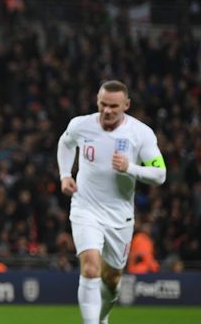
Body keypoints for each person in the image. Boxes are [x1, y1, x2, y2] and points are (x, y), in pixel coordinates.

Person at [57, 80, 166, 324]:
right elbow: (65, 143)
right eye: (103, 104)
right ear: (97, 101)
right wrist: (65, 174)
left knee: (112, 279)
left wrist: (130, 168)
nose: (107, 111)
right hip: (85, 208)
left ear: (126, 105)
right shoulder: (81, 125)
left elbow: (160, 174)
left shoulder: (141, 133)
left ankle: (102, 317)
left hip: (120, 217)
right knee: (91, 268)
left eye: (114, 106)